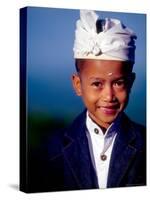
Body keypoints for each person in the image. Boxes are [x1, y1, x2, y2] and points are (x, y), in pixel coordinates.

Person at [30, 10, 146, 192]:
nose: (109, 96)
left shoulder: (144, 144)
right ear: (78, 85)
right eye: (97, 84)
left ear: (130, 83)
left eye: (118, 82)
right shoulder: (49, 150)